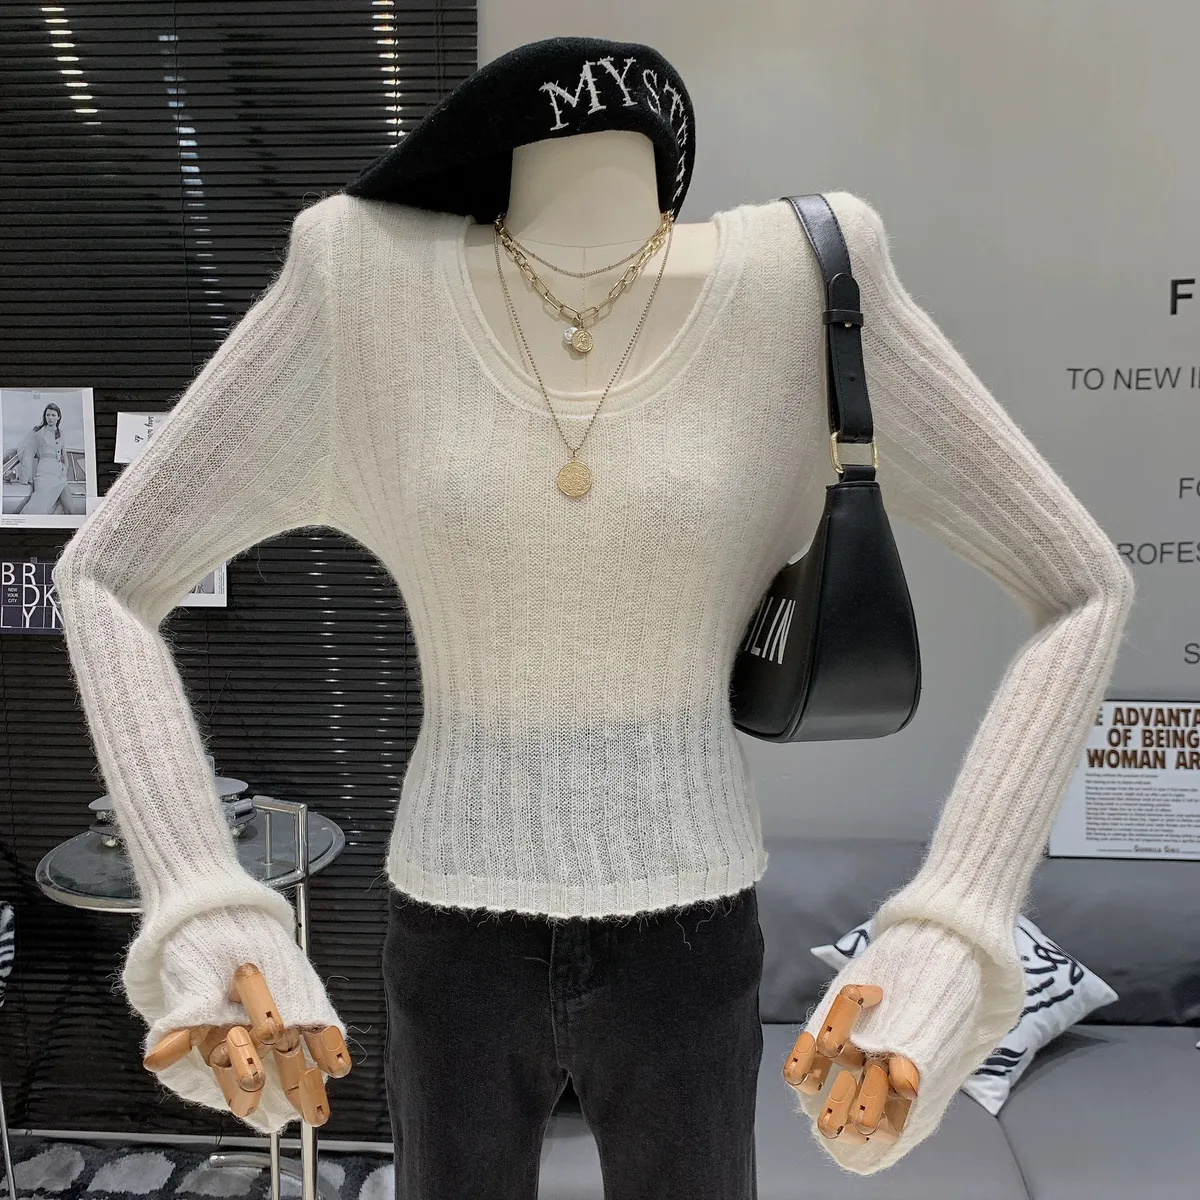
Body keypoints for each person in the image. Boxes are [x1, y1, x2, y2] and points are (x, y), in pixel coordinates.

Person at [15, 402, 69, 515]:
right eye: (48, 415)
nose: (50, 418)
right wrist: (27, 477)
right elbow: (28, 455)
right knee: (39, 507)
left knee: (70, 509)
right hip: (44, 475)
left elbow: (64, 456)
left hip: (60, 476)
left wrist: (64, 472)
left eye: (53, 415)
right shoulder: (38, 433)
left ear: (58, 417)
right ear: (45, 416)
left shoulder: (61, 434)